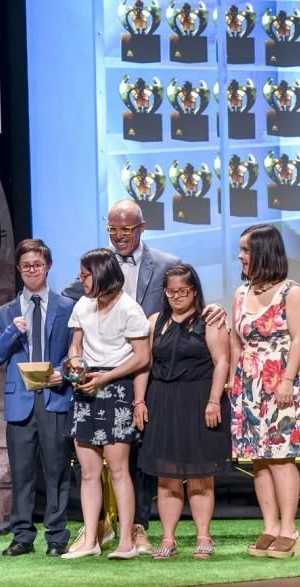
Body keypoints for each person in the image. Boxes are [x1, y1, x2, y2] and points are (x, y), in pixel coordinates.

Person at [63, 199, 225, 554]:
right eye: (112, 229)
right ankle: (96, 533)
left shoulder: (166, 266)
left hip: (144, 377)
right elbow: (75, 332)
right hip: (123, 384)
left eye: (125, 228)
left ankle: (140, 530)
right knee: (116, 466)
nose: (118, 235)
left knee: (151, 464)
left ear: (141, 227)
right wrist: (73, 367)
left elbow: (204, 332)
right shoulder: (89, 282)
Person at [230, 224, 300, 558]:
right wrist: (234, 382)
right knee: (258, 459)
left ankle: (289, 530)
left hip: (282, 379)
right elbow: (236, 340)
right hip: (249, 384)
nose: (240, 256)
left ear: (264, 252)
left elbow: (299, 338)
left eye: (245, 250)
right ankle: (269, 526)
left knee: (281, 457)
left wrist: (285, 380)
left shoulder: (292, 292)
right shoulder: (241, 294)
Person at [134, 264, 231, 558]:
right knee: (167, 476)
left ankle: (203, 536)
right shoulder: (154, 322)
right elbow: (144, 364)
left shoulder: (209, 320)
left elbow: (222, 361)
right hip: (162, 399)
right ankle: (168, 538)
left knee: (201, 475)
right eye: (170, 291)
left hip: (199, 399)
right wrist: (140, 401)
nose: (176, 296)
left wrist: (214, 400)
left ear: (195, 291)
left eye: (183, 291)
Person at [61, 248, 150, 559]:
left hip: (117, 390)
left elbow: (142, 357)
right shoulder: (83, 306)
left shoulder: (129, 308)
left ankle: (126, 541)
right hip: (86, 388)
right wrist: (75, 364)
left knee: (118, 469)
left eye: (86, 274)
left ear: (101, 274)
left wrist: (106, 376)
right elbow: (76, 344)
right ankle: (90, 540)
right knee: (87, 471)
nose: (81, 280)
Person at [0, 239, 73, 557]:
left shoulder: (66, 306)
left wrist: (63, 374)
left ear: (47, 266)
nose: (31, 270)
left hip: (54, 396)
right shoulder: (8, 312)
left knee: (56, 470)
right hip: (20, 400)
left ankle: (57, 535)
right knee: (22, 472)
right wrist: (12, 332)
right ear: (18, 269)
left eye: (37, 265)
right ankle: (22, 536)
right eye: (25, 266)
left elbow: (76, 353)